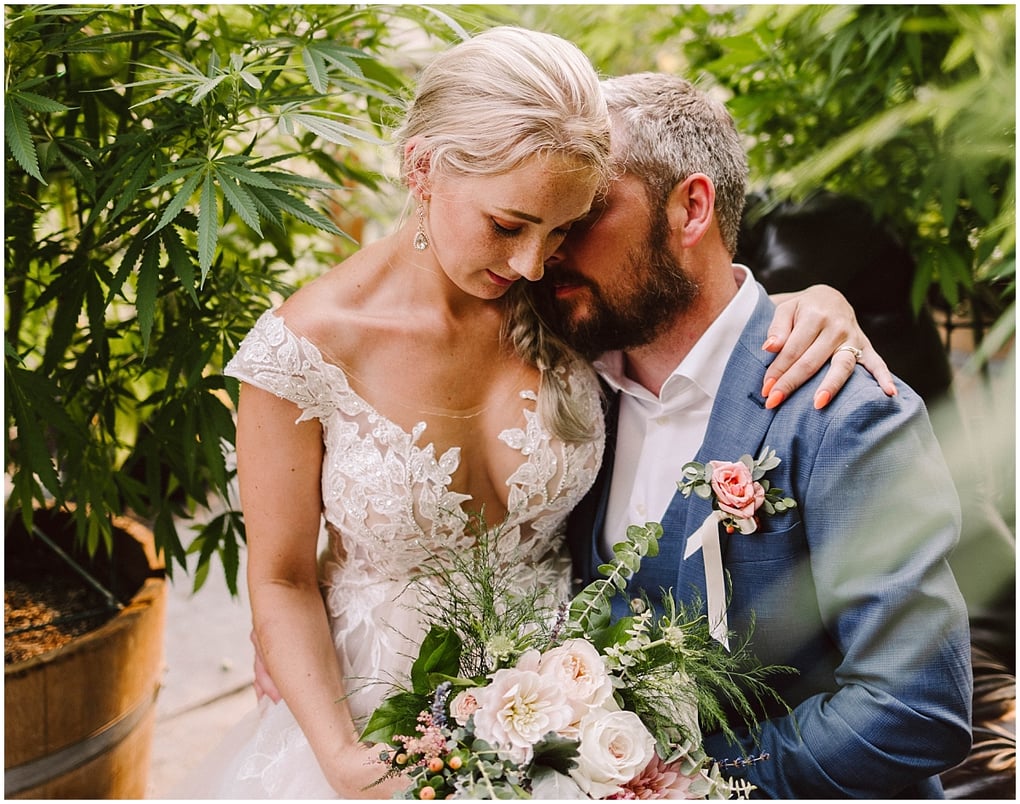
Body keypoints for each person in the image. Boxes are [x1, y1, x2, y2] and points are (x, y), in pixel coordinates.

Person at [191, 29, 890, 799]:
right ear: (423, 168)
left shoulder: (558, 308)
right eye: (508, 224)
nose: (531, 261)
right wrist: (343, 759)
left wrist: (816, 303)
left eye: (563, 230)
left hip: (572, 726)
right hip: (371, 726)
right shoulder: (300, 354)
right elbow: (281, 579)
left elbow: (694, 306)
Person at [550, 73, 973, 798]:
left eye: (584, 210)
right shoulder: (568, 391)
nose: (549, 246)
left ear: (691, 208)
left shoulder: (847, 413)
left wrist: (692, 782)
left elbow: (913, 710)